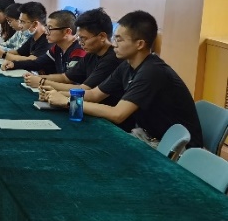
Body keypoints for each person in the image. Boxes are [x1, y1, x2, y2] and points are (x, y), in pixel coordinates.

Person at [42, 11, 203, 148]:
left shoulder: (152, 71)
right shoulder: (127, 65)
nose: (114, 44)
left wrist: (67, 102)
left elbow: (117, 114)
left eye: (119, 40)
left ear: (140, 44)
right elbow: (95, 94)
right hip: (147, 135)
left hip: (174, 148)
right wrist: (56, 94)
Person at [26, 8, 122, 98]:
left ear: (102, 37)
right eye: (79, 38)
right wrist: (37, 77)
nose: (80, 43)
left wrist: (43, 82)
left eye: (83, 38)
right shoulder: (91, 54)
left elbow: (84, 89)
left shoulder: (112, 59)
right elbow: (66, 77)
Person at [2, 10, 84, 74]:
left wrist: (42, 80)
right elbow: (37, 63)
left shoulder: (78, 51)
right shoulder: (57, 48)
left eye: (50, 28)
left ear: (67, 32)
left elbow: (69, 79)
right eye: (46, 27)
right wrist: (14, 64)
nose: (45, 32)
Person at [0, 1, 50, 66]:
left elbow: (32, 60)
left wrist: (3, 55)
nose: (20, 26)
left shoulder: (48, 39)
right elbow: (17, 52)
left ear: (35, 24)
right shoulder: (33, 37)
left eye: (22, 22)